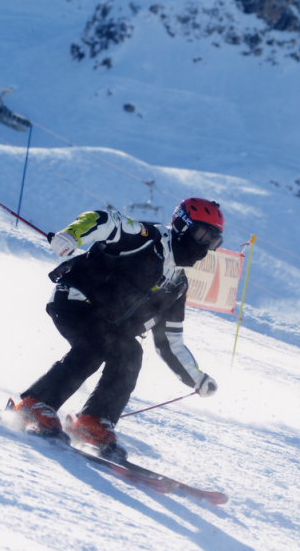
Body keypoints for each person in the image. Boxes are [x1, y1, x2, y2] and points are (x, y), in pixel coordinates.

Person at [13, 197, 224, 460]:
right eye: (203, 235)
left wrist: (197, 378)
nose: (206, 246)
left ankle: (93, 421)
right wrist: (72, 235)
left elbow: (170, 341)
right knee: (96, 345)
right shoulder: (148, 238)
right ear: (183, 226)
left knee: (130, 354)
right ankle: (36, 404)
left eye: (214, 241)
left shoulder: (177, 284)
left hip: (107, 324)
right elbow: (105, 220)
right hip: (75, 300)